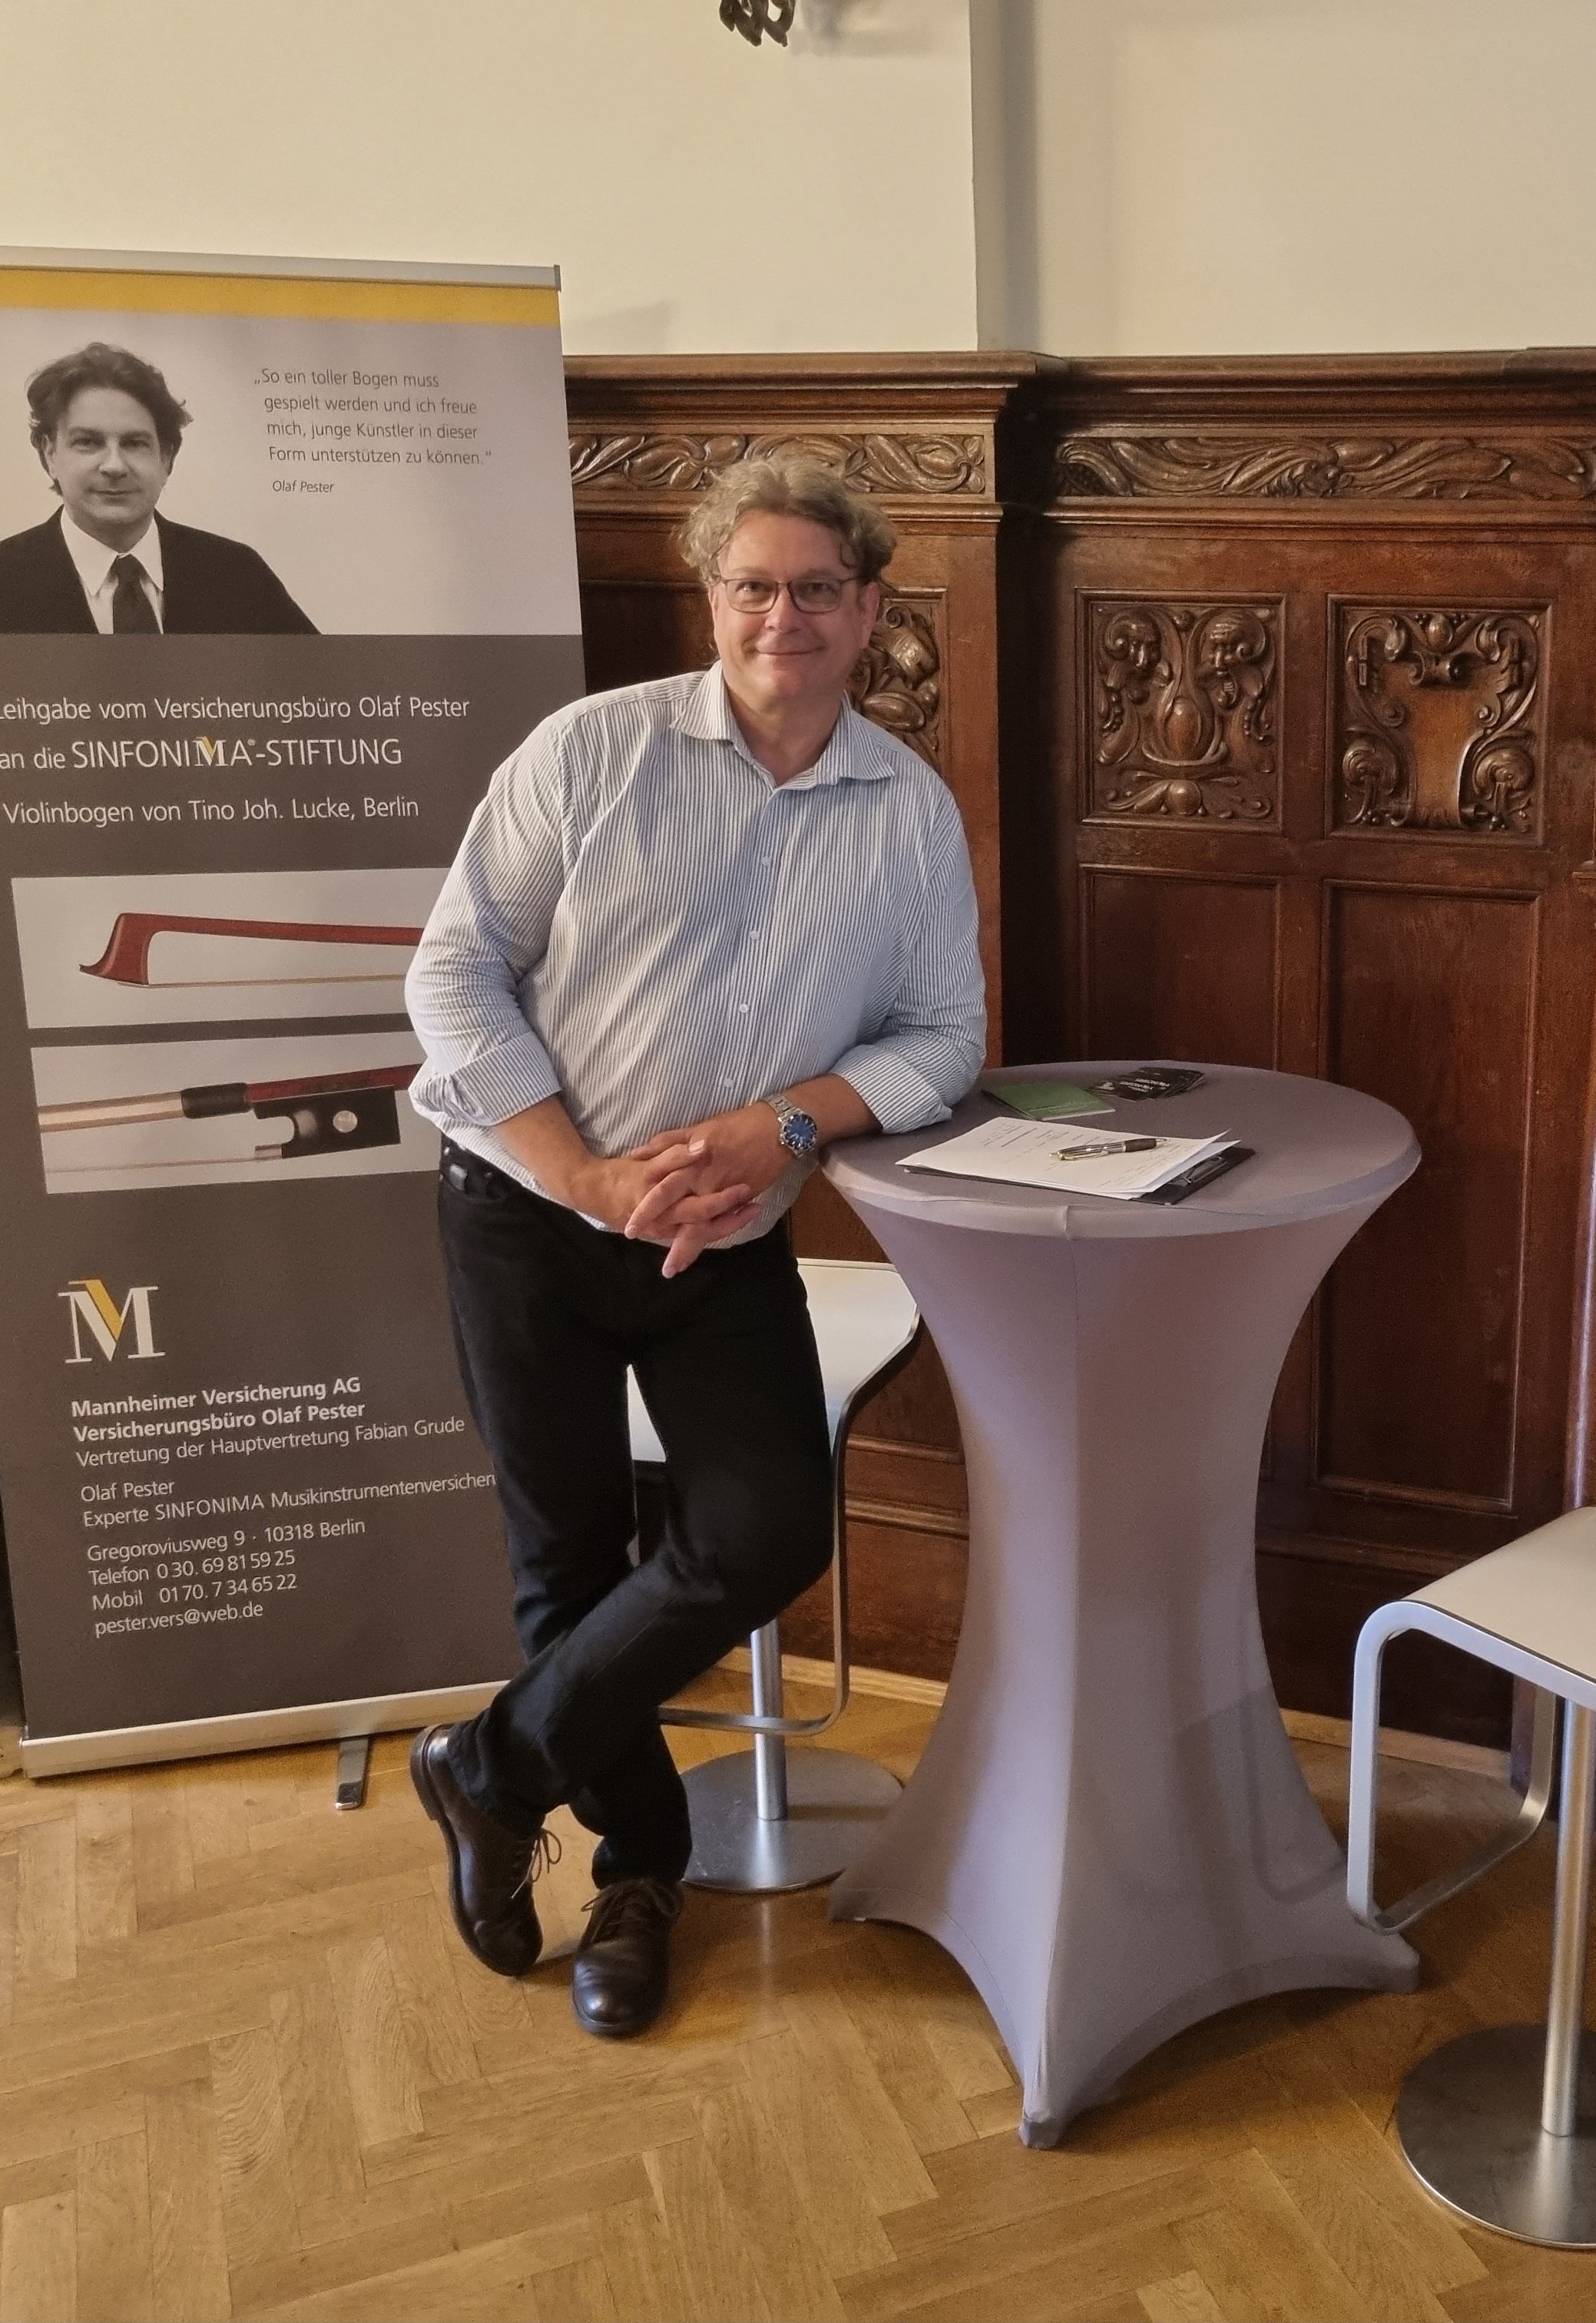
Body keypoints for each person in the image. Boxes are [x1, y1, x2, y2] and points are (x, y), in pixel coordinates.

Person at [399, 457, 983, 2036]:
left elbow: (945, 1035)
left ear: (869, 608)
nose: (783, 615)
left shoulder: (906, 811)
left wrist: (783, 1126)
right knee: (568, 1561)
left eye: (817, 588)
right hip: (526, 1215)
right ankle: (639, 1878)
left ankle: (490, 1767)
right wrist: (583, 1175)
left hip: (725, 1243)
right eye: (753, 585)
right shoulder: (590, 751)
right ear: (711, 597)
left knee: (767, 1527)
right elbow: (452, 977)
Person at [0, 343, 315, 635]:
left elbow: (319, 701)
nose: (114, 466)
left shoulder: (238, 575)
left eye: (134, 443)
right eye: (88, 442)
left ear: (166, 459)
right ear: (50, 454)